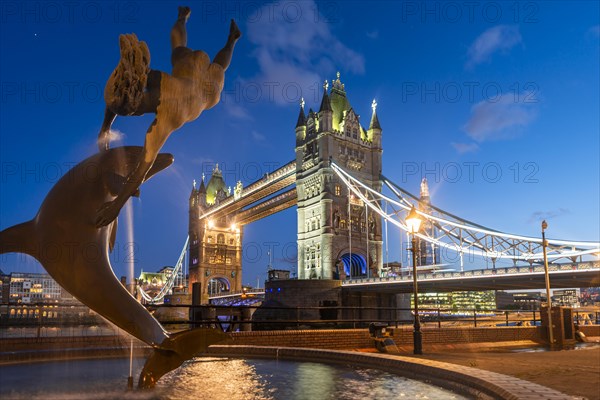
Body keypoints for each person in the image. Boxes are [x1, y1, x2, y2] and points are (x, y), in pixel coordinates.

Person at [95, 6, 241, 227]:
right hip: (187, 69)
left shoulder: (166, 119)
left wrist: (115, 208)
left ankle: (230, 38)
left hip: (205, 92)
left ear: (135, 107)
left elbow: (141, 169)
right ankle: (217, 32)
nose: (135, 114)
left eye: (132, 112)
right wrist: (105, 129)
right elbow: (116, 99)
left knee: (217, 66)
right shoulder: (152, 78)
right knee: (180, 49)